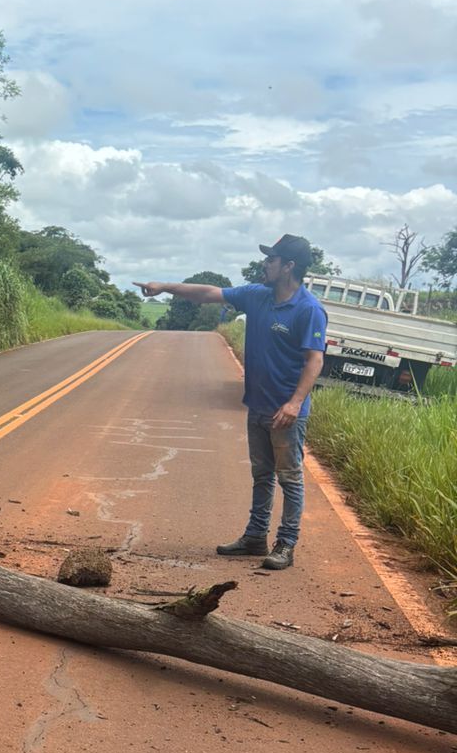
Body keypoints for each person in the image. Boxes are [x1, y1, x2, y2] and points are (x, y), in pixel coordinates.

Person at [134, 234, 327, 571]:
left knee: (290, 478)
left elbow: (315, 360)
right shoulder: (257, 296)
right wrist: (164, 286)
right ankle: (255, 537)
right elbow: (209, 293)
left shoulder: (308, 310)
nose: (265, 264)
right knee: (262, 475)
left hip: (286, 413)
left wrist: (295, 403)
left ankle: (286, 544)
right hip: (258, 405)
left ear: (288, 267)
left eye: (271, 259)